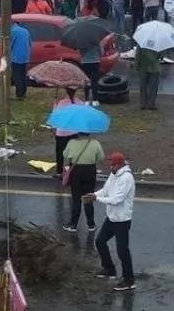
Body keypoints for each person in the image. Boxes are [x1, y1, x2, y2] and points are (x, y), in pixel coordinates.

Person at [85, 152, 137, 292]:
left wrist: (97, 199)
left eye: (112, 164)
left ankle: (129, 280)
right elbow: (106, 189)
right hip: (112, 218)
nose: (110, 166)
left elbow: (116, 200)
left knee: (122, 251)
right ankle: (109, 270)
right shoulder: (114, 175)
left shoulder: (126, 178)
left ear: (119, 164)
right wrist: (95, 194)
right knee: (100, 241)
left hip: (122, 220)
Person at [62, 132, 106, 233]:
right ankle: (91, 224)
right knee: (88, 197)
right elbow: (101, 157)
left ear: (77, 133)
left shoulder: (72, 142)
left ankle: (73, 225)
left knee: (76, 198)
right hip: (90, 171)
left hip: (76, 171)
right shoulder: (95, 143)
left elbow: (65, 154)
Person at [52, 89, 84, 177]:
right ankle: (72, 170)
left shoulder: (62, 103)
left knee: (60, 152)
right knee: (73, 152)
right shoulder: (80, 103)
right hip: (74, 131)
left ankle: (59, 171)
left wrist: (55, 104)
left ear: (66, 92)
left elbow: (56, 115)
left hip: (62, 132)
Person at [79, 7, 104, 105]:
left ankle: (86, 99)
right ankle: (95, 99)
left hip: (85, 61)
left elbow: (80, 50)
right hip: (95, 61)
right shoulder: (97, 35)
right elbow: (101, 51)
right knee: (94, 81)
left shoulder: (82, 36)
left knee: (86, 81)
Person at [137, 44, 162, 110]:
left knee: (143, 86)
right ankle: (151, 104)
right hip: (154, 68)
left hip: (143, 67)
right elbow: (161, 56)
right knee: (153, 88)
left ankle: (143, 104)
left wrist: (137, 66)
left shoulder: (142, 43)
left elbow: (138, 55)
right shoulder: (158, 43)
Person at [10, 21, 31, 99]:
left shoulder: (12, 31)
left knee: (17, 76)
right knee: (22, 75)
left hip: (16, 57)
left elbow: (10, 44)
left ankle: (19, 95)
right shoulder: (25, 31)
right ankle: (23, 93)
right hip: (25, 57)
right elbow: (30, 43)